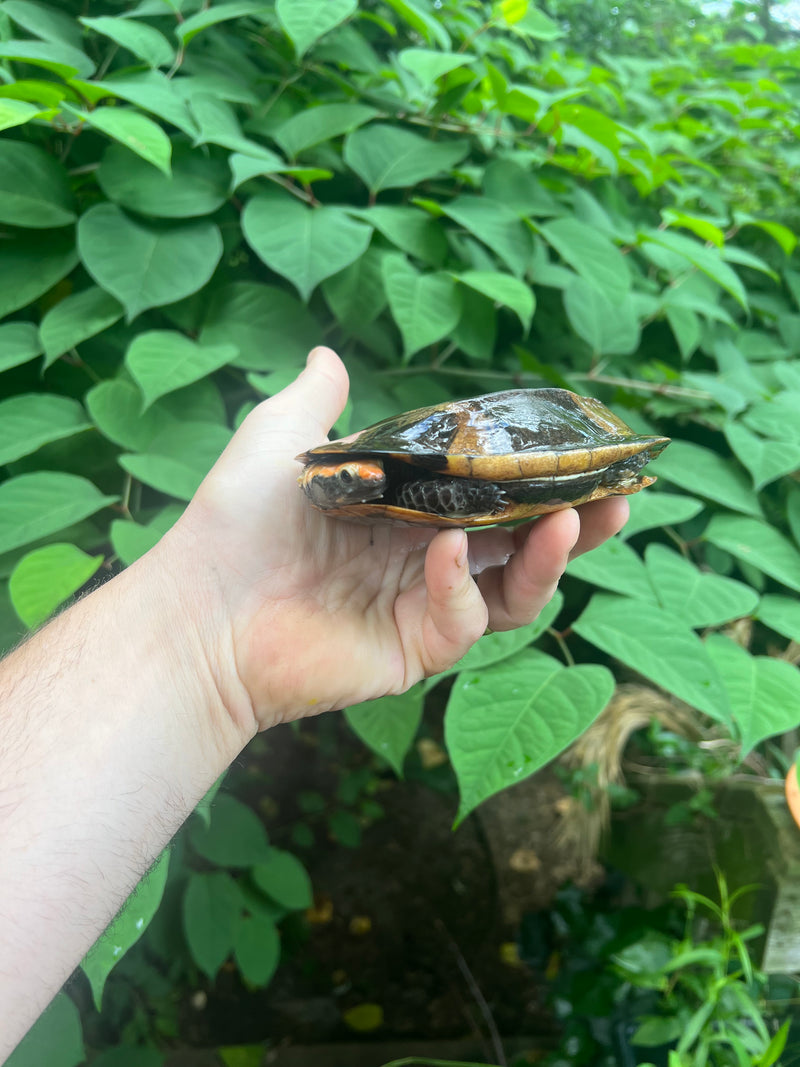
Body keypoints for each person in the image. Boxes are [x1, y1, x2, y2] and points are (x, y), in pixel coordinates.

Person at [0, 347, 629, 1058]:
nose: (334, 486)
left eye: (348, 477)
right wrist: (203, 633)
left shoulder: (407, 473)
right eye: (336, 478)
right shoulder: (340, 484)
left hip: (539, 440)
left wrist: (198, 648)